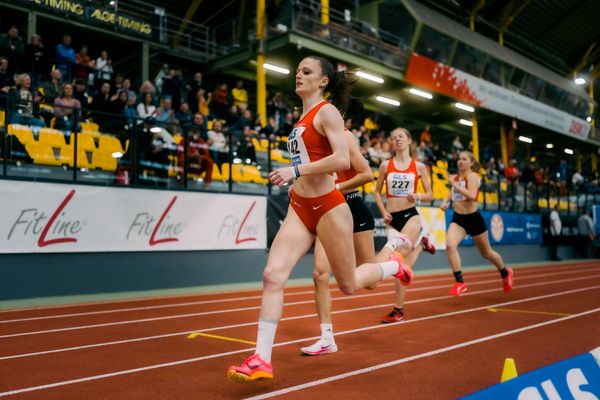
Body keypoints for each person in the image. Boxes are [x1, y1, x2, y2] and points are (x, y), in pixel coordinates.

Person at [227, 56, 413, 383]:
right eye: (296, 70)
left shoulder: (326, 112)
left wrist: (294, 170)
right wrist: (296, 181)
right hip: (299, 206)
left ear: (323, 81)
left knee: (349, 285)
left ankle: (393, 265)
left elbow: (342, 159)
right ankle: (262, 359)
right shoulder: (301, 117)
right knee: (272, 274)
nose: (298, 75)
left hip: (330, 207)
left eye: (306, 71)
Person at [300, 101, 421, 356]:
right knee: (319, 274)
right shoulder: (312, 139)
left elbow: (366, 175)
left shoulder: (345, 138)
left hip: (352, 205)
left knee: (369, 284)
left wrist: (336, 188)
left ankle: (392, 254)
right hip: (327, 209)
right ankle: (326, 338)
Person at [374, 127, 435, 322]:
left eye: (401, 136)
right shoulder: (385, 165)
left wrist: (418, 195)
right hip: (392, 218)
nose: (397, 139)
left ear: (409, 140)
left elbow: (430, 194)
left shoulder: (419, 167)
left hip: (410, 216)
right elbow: (376, 192)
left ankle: (398, 309)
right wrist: (383, 211)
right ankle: (399, 309)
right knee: (402, 263)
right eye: (393, 137)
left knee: (398, 255)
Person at [440, 151, 514, 297]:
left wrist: (454, 184)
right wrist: (445, 201)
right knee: (450, 246)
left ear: (471, 163)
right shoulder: (455, 177)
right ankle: (459, 282)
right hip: (458, 219)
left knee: (487, 253)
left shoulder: (473, 176)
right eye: (459, 159)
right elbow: (453, 192)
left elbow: (472, 196)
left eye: (464, 159)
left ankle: (505, 272)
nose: (460, 161)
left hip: (473, 219)